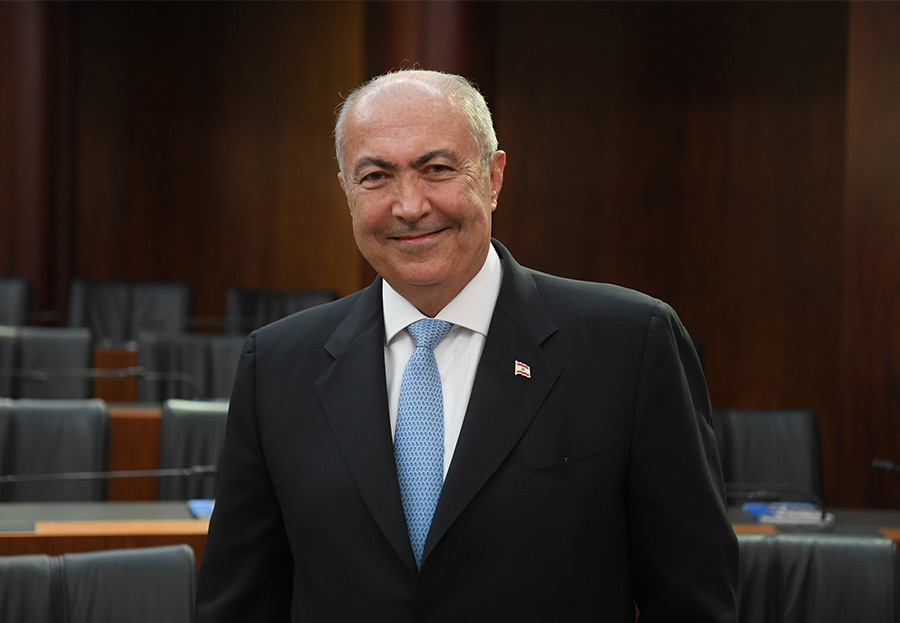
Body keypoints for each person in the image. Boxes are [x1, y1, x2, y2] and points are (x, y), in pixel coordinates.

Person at [196, 69, 738, 622]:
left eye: (436, 169)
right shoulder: (277, 365)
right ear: (346, 192)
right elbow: (238, 605)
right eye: (376, 176)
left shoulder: (629, 344)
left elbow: (692, 600)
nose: (410, 205)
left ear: (493, 176)